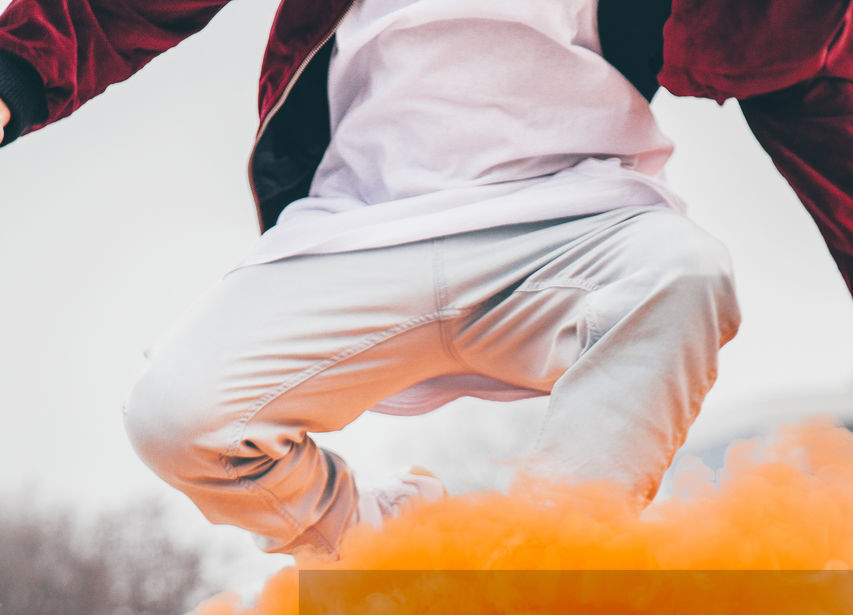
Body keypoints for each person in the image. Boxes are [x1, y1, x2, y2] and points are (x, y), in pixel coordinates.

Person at [0, 0, 748, 560]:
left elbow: (803, 54)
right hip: (356, 225)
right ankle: (376, 548)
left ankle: (543, 573)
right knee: (177, 417)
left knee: (683, 273)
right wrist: (14, 72)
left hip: (570, 216)